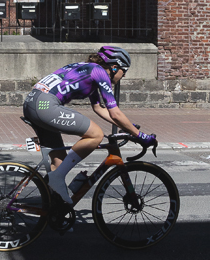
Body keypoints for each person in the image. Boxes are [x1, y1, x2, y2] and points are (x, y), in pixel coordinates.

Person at [23, 45, 156, 208]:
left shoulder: (90, 70)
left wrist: (128, 128)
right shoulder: (100, 73)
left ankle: (53, 209)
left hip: (34, 102)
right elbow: (115, 113)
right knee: (95, 135)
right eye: (124, 70)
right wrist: (140, 135)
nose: (124, 74)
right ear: (114, 67)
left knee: (59, 161)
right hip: (44, 105)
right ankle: (56, 180)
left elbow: (98, 108)